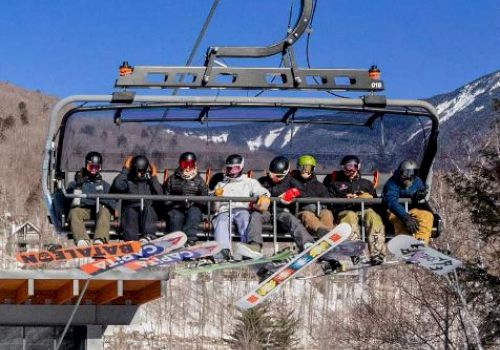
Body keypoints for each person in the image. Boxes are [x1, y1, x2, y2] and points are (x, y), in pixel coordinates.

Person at [326, 155, 386, 265]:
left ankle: (377, 253)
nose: (349, 170)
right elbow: (330, 203)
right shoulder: (335, 184)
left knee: (373, 216)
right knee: (350, 217)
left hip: (364, 210)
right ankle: (356, 252)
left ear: (357, 167)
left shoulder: (366, 184)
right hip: (345, 210)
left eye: (352, 167)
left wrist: (364, 197)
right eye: (346, 167)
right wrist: (344, 199)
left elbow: (376, 202)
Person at [249, 156, 315, 253]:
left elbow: (306, 193)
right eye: (272, 175)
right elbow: (252, 192)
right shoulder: (263, 181)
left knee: (289, 218)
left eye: (278, 176)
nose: (274, 178)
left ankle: (306, 243)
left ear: (285, 173)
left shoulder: (291, 181)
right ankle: (254, 245)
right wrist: (256, 203)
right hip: (265, 211)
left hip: (281, 212)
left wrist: (293, 192)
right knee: (255, 216)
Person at [212, 154, 270, 261]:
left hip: (242, 209)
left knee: (245, 219)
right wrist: (217, 197)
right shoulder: (221, 184)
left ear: (241, 168)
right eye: (230, 168)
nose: (233, 171)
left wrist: (264, 196)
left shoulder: (249, 182)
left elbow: (261, 191)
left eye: (236, 168)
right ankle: (223, 250)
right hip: (225, 211)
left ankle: (247, 249)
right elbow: (215, 208)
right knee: (221, 221)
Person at [66, 151, 115, 247]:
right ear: (86, 166)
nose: (93, 170)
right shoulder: (76, 184)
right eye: (91, 167)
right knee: (74, 212)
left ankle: (100, 239)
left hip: (99, 212)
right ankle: (82, 240)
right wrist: (78, 187)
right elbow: (71, 203)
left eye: (96, 168)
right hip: (84, 211)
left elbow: (112, 201)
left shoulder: (104, 185)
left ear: (100, 168)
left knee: (104, 210)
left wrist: (94, 201)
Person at [112, 155, 163, 243]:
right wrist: (125, 169)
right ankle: (130, 241)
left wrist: (154, 176)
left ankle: (147, 236)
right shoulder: (128, 179)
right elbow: (118, 185)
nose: (139, 174)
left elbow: (160, 194)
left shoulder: (149, 180)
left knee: (148, 208)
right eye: (137, 171)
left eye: (142, 171)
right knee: (130, 212)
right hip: (131, 209)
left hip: (146, 212)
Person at [383, 160, 433, 244]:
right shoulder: (392, 184)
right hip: (395, 212)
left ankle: (421, 241)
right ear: (400, 173)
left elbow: (420, 188)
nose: (409, 177)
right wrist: (405, 217)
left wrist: (419, 194)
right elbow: (392, 202)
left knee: (427, 216)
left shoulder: (416, 181)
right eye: (406, 173)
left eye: (412, 173)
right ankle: (405, 243)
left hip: (411, 209)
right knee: (399, 221)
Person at [164, 152, 208, 246]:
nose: (187, 168)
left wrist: (194, 200)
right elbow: (166, 197)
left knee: (194, 214)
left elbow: (205, 199)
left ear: (194, 165)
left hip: (194, 206)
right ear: (180, 164)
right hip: (176, 206)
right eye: (185, 164)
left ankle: (190, 239)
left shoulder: (199, 180)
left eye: (190, 165)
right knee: (176, 216)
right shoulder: (172, 179)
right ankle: (175, 240)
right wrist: (176, 201)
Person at [292, 155, 335, 237]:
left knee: (327, 213)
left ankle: (328, 236)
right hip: (300, 213)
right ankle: (323, 233)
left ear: (313, 170)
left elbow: (328, 201)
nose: (305, 171)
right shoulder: (292, 183)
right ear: (298, 168)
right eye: (303, 168)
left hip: (318, 212)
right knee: (307, 215)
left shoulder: (319, 186)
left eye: (309, 168)